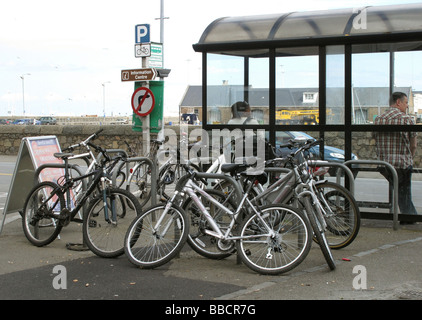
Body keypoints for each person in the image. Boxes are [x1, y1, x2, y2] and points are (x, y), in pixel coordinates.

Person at [374, 92, 418, 224]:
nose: (406, 107)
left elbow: (374, 138)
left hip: (385, 164)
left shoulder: (378, 119)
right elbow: (414, 145)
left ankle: (410, 216)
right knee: (404, 191)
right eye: (406, 103)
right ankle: (409, 218)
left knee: (399, 190)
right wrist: (409, 156)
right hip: (402, 163)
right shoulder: (407, 119)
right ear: (398, 102)